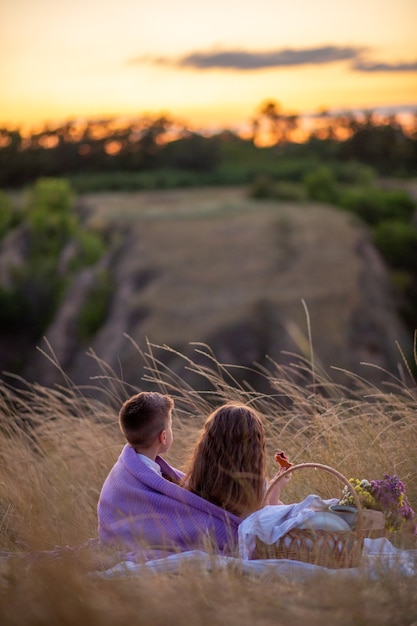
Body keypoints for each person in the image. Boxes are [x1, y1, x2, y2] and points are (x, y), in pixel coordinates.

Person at [97, 392, 244, 559]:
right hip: (129, 544)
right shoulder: (135, 478)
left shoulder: (128, 468)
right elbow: (173, 521)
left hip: (114, 540)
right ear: (164, 436)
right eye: (170, 427)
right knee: (222, 531)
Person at [183, 402, 290, 518]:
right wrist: (276, 487)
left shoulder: (194, 482)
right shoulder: (257, 489)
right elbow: (271, 519)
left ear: (207, 443)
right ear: (255, 448)